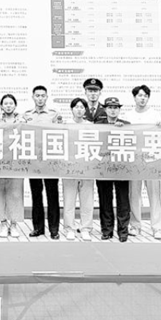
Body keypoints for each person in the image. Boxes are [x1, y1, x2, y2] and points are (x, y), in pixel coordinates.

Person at [122, 84, 161, 239]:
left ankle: (157, 228)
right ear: (134, 97)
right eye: (140, 95)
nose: (142, 98)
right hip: (134, 161)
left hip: (152, 160)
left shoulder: (155, 115)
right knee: (134, 194)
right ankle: (135, 225)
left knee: (155, 195)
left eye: (145, 96)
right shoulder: (128, 115)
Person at [23, 85, 62, 239]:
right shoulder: (26, 115)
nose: (40, 98)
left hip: (50, 160)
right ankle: (38, 228)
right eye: (37, 95)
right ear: (33, 97)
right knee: (36, 195)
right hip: (34, 161)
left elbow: (61, 133)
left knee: (52, 195)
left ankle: (54, 229)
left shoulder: (54, 114)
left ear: (47, 97)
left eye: (42, 96)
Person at [97, 97, 132, 242]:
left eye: (116, 107)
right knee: (105, 199)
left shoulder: (126, 125)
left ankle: (123, 231)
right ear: (105, 109)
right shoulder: (98, 125)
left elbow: (133, 144)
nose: (113, 110)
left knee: (123, 200)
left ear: (119, 109)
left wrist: (122, 130)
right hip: (103, 167)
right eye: (110, 107)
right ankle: (107, 230)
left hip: (121, 167)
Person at [0, 94, 25, 238]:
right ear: (1, 106)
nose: (8, 106)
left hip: (16, 163)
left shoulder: (22, 122)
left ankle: (14, 224)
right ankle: (3, 224)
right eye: (5, 103)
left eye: (11, 103)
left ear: (15, 105)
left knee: (16, 194)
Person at [62, 98, 96, 241]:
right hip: (69, 169)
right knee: (69, 201)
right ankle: (69, 228)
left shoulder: (91, 126)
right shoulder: (65, 125)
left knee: (87, 201)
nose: (79, 110)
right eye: (76, 107)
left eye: (82, 107)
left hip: (87, 169)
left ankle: (85, 228)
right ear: (71, 109)